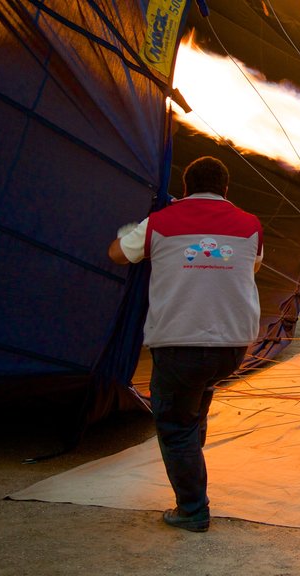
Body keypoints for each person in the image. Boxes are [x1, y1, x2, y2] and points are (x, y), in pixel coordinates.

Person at [108, 156, 263, 533]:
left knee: (175, 425)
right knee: (196, 401)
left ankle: (192, 509)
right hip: (232, 345)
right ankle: (193, 455)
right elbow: (251, 266)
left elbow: (116, 254)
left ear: (186, 185)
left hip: (180, 343)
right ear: (226, 189)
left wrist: (131, 230)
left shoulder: (159, 222)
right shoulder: (251, 225)